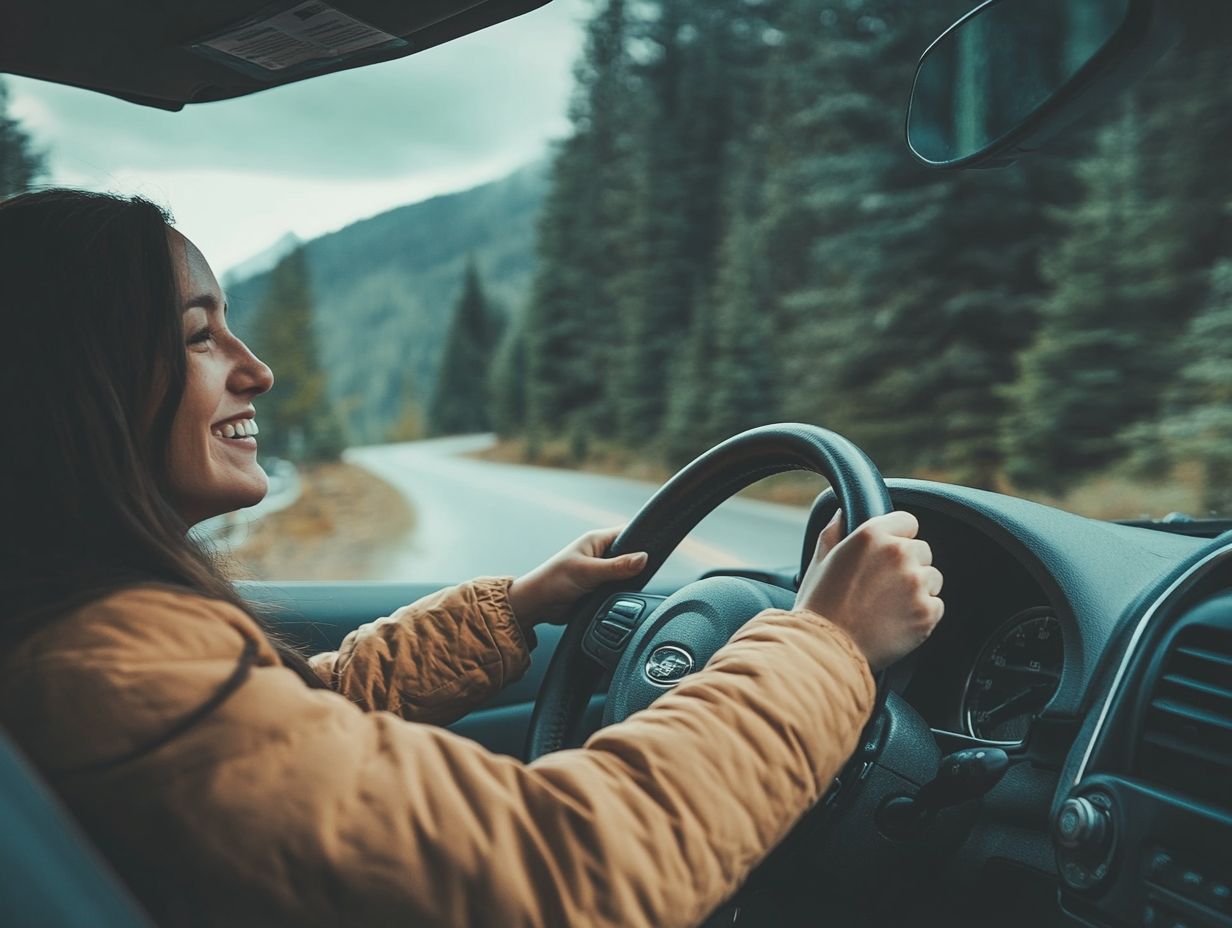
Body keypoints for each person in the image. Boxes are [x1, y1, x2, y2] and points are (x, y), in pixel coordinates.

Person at [0, 189, 944, 927]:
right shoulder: (112, 666)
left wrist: (515, 608)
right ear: (76, 386)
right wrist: (826, 646)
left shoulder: (90, 651)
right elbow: (568, 873)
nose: (255, 369)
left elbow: (297, 724)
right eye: (200, 334)